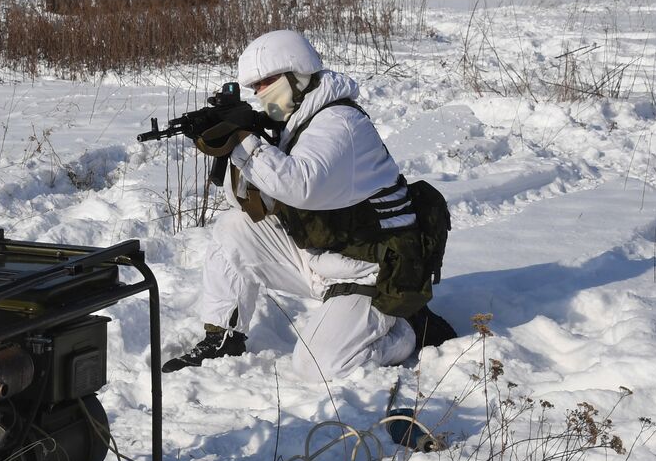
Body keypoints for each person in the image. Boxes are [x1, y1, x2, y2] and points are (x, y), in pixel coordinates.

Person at [163, 29, 454, 382]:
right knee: (234, 229)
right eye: (255, 88)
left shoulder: (340, 123)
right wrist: (229, 148)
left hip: (376, 273)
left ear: (297, 73)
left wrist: (244, 141)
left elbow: (300, 186)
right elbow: (255, 203)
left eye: (266, 82)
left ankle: (404, 332)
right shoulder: (295, 124)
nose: (260, 94)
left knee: (318, 367)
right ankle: (223, 337)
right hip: (326, 261)